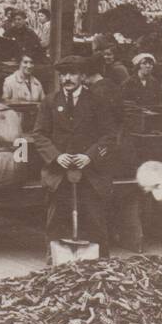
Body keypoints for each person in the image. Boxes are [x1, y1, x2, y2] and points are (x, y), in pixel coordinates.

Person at [30, 54, 120, 255]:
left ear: (82, 76)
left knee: (95, 217)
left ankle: (99, 264)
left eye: (72, 73)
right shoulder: (50, 101)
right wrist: (56, 156)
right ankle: (55, 262)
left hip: (90, 171)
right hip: (59, 171)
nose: (67, 78)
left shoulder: (98, 101)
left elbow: (110, 135)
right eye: (63, 74)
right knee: (56, 219)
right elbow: (39, 134)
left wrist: (90, 156)